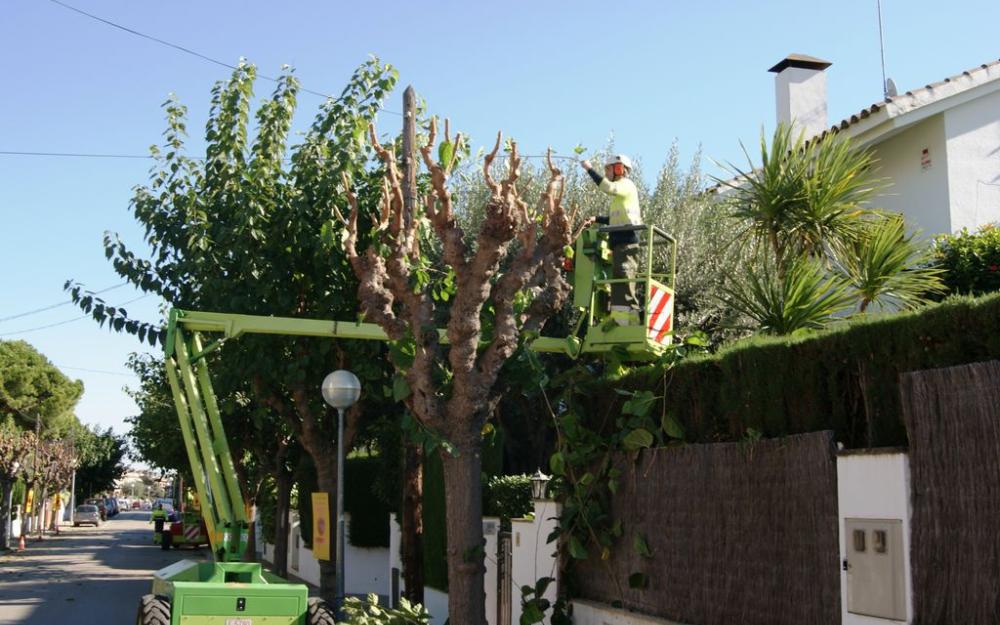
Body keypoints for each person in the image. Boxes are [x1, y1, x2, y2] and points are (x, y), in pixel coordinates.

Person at [581, 155, 642, 324]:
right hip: (619, 240)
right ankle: (620, 318)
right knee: (619, 278)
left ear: (619, 169)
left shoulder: (626, 185)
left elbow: (607, 187)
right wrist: (596, 219)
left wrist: (589, 169)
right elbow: (615, 219)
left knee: (624, 274)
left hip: (626, 239)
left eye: (608, 169)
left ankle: (630, 319)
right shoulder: (620, 198)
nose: (606, 172)